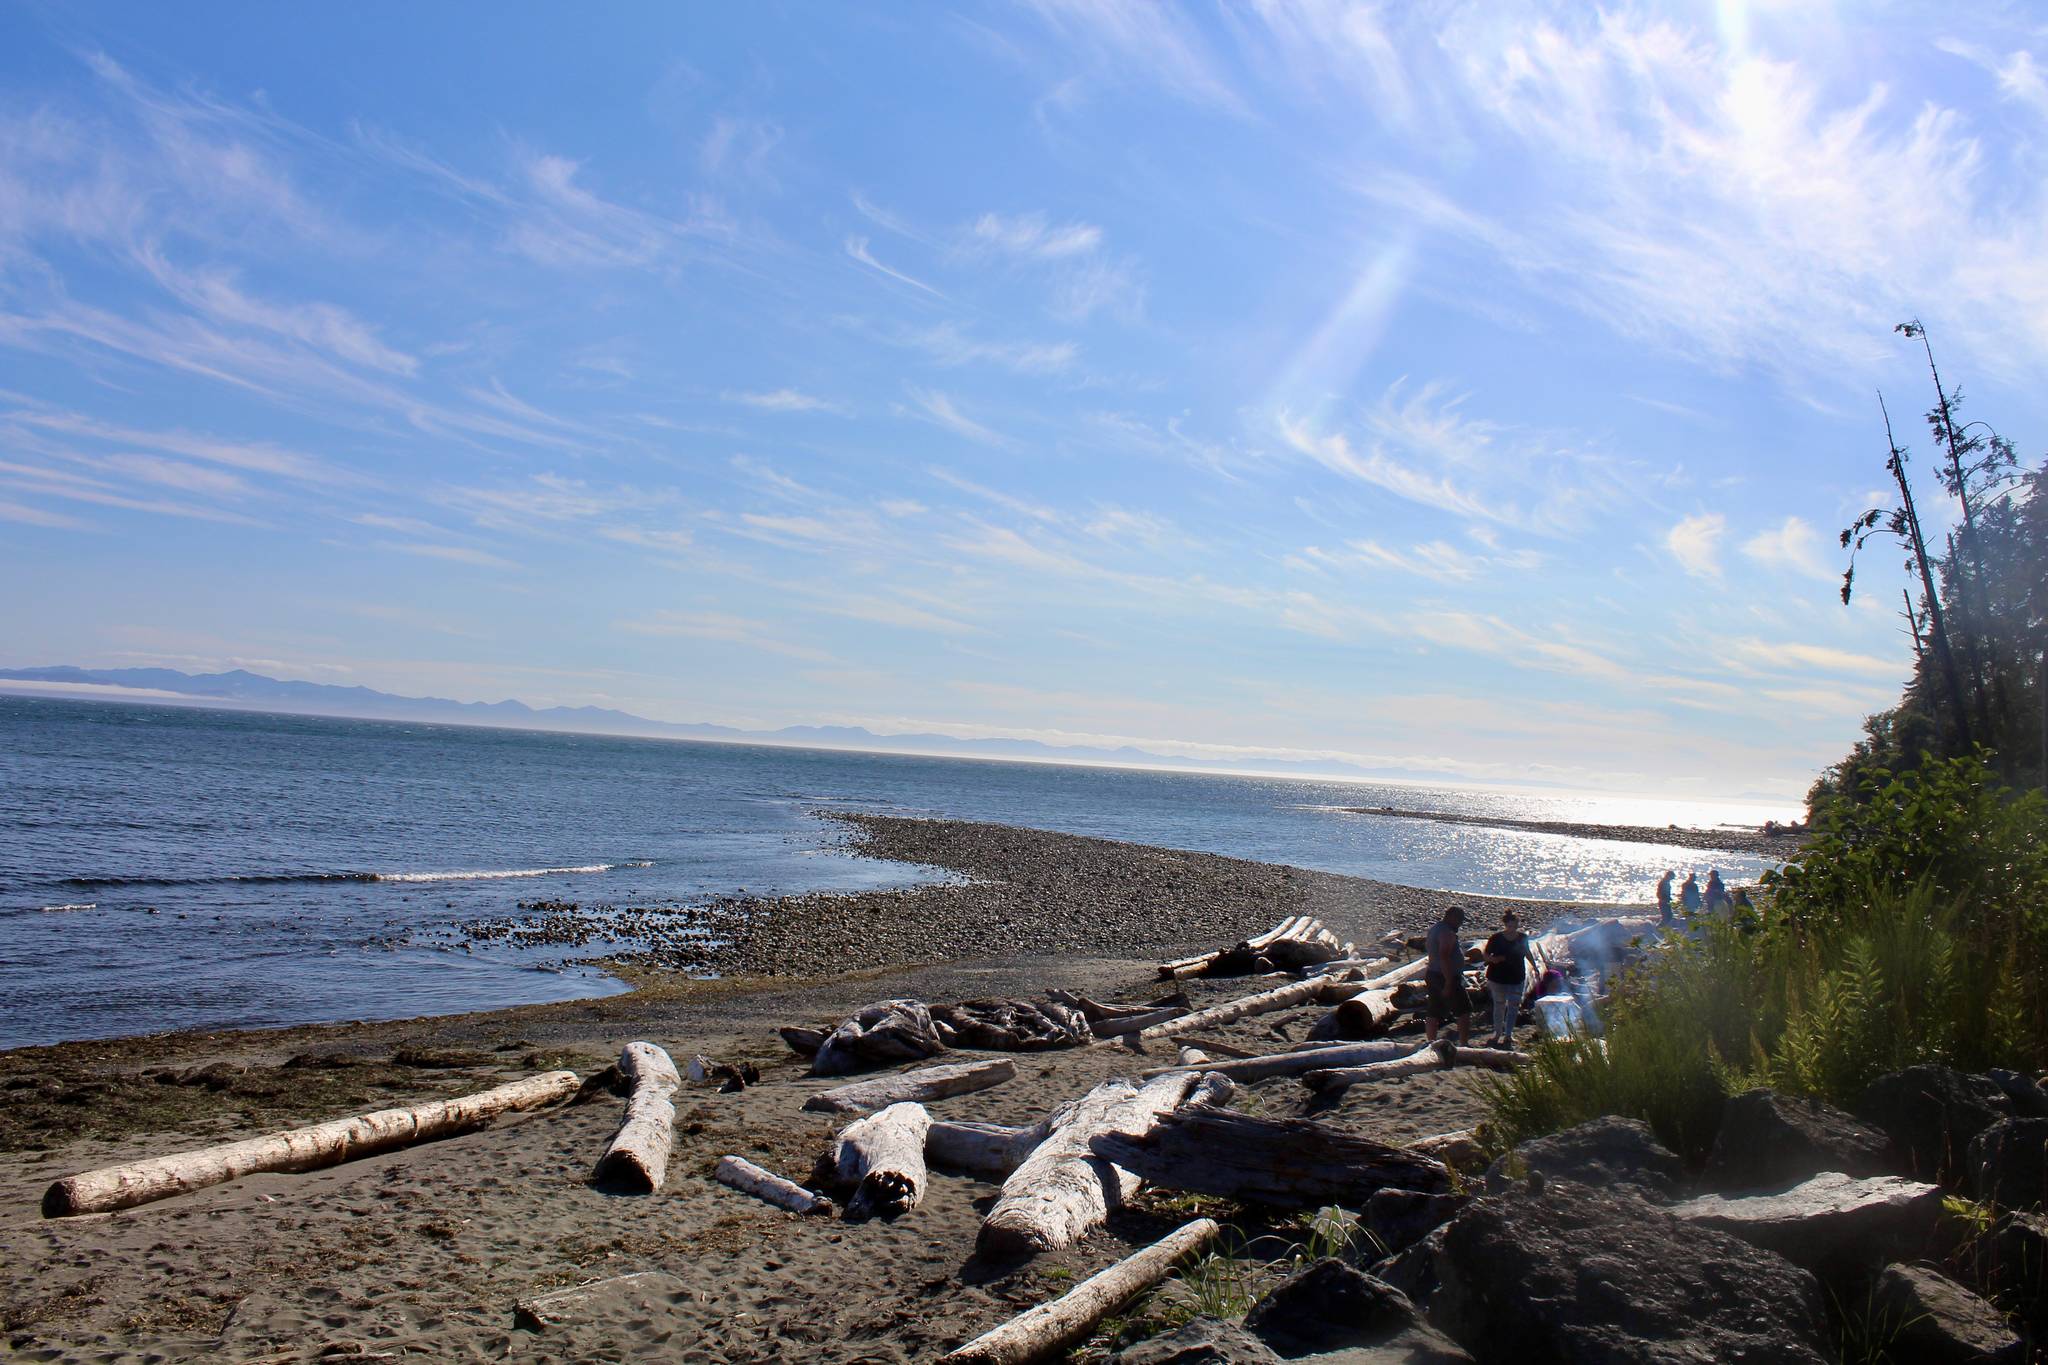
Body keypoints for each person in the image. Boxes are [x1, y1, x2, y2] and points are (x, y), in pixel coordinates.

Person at [1482, 910, 1540, 1049]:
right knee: (1499, 1005)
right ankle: (1497, 1033)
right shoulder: (1496, 938)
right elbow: (1485, 954)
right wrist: (1493, 959)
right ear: (1505, 924)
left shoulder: (1522, 937)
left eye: (1515, 926)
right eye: (1510, 926)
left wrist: (1535, 967)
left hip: (1517, 975)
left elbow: (1527, 952)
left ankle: (1508, 1034)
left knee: (1514, 1006)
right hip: (1498, 976)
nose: (1512, 929)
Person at [1424, 904, 1472, 1046]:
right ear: (1452, 918)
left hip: (1433, 973)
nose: (1460, 923)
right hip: (1444, 976)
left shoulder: (1435, 928)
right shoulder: (1446, 933)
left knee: (1434, 1009)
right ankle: (1464, 1043)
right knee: (1464, 1010)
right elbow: (1444, 956)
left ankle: (1430, 1042)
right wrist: (1449, 982)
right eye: (1460, 920)